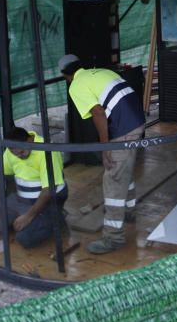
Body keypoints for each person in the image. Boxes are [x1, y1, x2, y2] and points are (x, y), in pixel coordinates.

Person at [58, 53, 145, 254]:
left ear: (65, 75)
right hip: (137, 120)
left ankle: (114, 237)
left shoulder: (76, 85)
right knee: (124, 168)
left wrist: (105, 147)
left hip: (123, 129)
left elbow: (98, 112)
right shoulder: (101, 72)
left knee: (113, 177)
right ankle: (129, 210)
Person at [0, 126, 68, 249]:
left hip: (48, 201)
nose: (20, 156)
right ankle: (26, 219)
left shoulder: (46, 150)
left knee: (25, 238)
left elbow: (48, 191)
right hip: (21, 200)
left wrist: (29, 216)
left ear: (30, 140)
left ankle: (56, 219)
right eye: (16, 154)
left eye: (22, 152)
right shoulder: (11, 151)